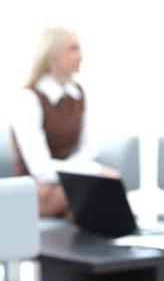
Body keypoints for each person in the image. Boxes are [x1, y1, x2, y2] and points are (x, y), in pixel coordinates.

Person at [10, 26, 119, 218]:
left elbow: (88, 150)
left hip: (62, 184)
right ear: (51, 56)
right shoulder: (30, 99)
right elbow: (41, 170)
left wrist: (78, 176)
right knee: (99, 189)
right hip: (35, 188)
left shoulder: (79, 95)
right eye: (73, 49)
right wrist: (91, 172)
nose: (81, 55)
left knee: (99, 189)